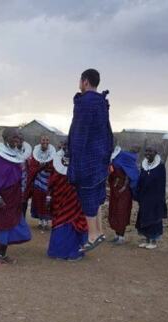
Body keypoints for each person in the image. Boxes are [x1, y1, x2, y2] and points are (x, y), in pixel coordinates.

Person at [67, 68, 113, 252]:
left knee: (86, 193)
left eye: (80, 80)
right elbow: (107, 131)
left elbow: (79, 132)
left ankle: (92, 234)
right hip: (101, 154)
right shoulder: (102, 102)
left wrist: (75, 161)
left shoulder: (84, 102)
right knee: (96, 194)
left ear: (85, 81)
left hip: (87, 156)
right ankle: (100, 231)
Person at [0, 127, 32, 265]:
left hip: (14, 196)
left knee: (13, 224)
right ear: (6, 139)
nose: (17, 139)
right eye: (14, 137)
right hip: (3, 198)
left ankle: (2, 254)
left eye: (19, 137)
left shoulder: (18, 155)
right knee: (4, 225)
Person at [47, 150, 88, 261]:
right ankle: (63, 252)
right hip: (61, 200)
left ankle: (63, 252)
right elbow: (51, 182)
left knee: (67, 223)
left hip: (72, 200)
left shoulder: (79, 164)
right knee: (63, 224)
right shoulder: (56, 163)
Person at [134, 147, 167, 249]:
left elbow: (162, 184)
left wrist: (160, 199)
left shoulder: (160, 167)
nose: (148, 153)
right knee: (144, 218)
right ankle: (146, 239)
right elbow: (140, 180)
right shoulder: (144, 166)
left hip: (155, 198)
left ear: (155, 153)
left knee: (154, 218)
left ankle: (153, 241)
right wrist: (138, 195)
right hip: (144, 197)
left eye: (150, 151)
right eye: (146, 151)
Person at [107, 144, 139, 244]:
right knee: (114, 211)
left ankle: (121, 237)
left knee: (122, 212)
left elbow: (132, 176)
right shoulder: (114, 157)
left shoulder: (125, 158)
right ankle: (117, 235)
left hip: (124, 191)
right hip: (115, 190)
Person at [27, 135, 56, 231]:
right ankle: (40, 220)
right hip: (38, 180)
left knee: (47, 200)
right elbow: (32, 166)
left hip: (48, 180)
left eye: (47, 140)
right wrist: (39, 167)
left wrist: (47, 166)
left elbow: (55, 166)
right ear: (40, 141)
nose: (45, 141)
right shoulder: (35, 152)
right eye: (43, 140)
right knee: (38, 199)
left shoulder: (53, 153)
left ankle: (46, 221)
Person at [17, 132, 32, 217]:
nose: (19, 141)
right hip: (14, 180)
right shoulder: (10, 151)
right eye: (18, 139)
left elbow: (31, 165)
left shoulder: (27, 152)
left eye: (21, 139)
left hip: (24, 181)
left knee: (23, 202)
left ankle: (22, 219)